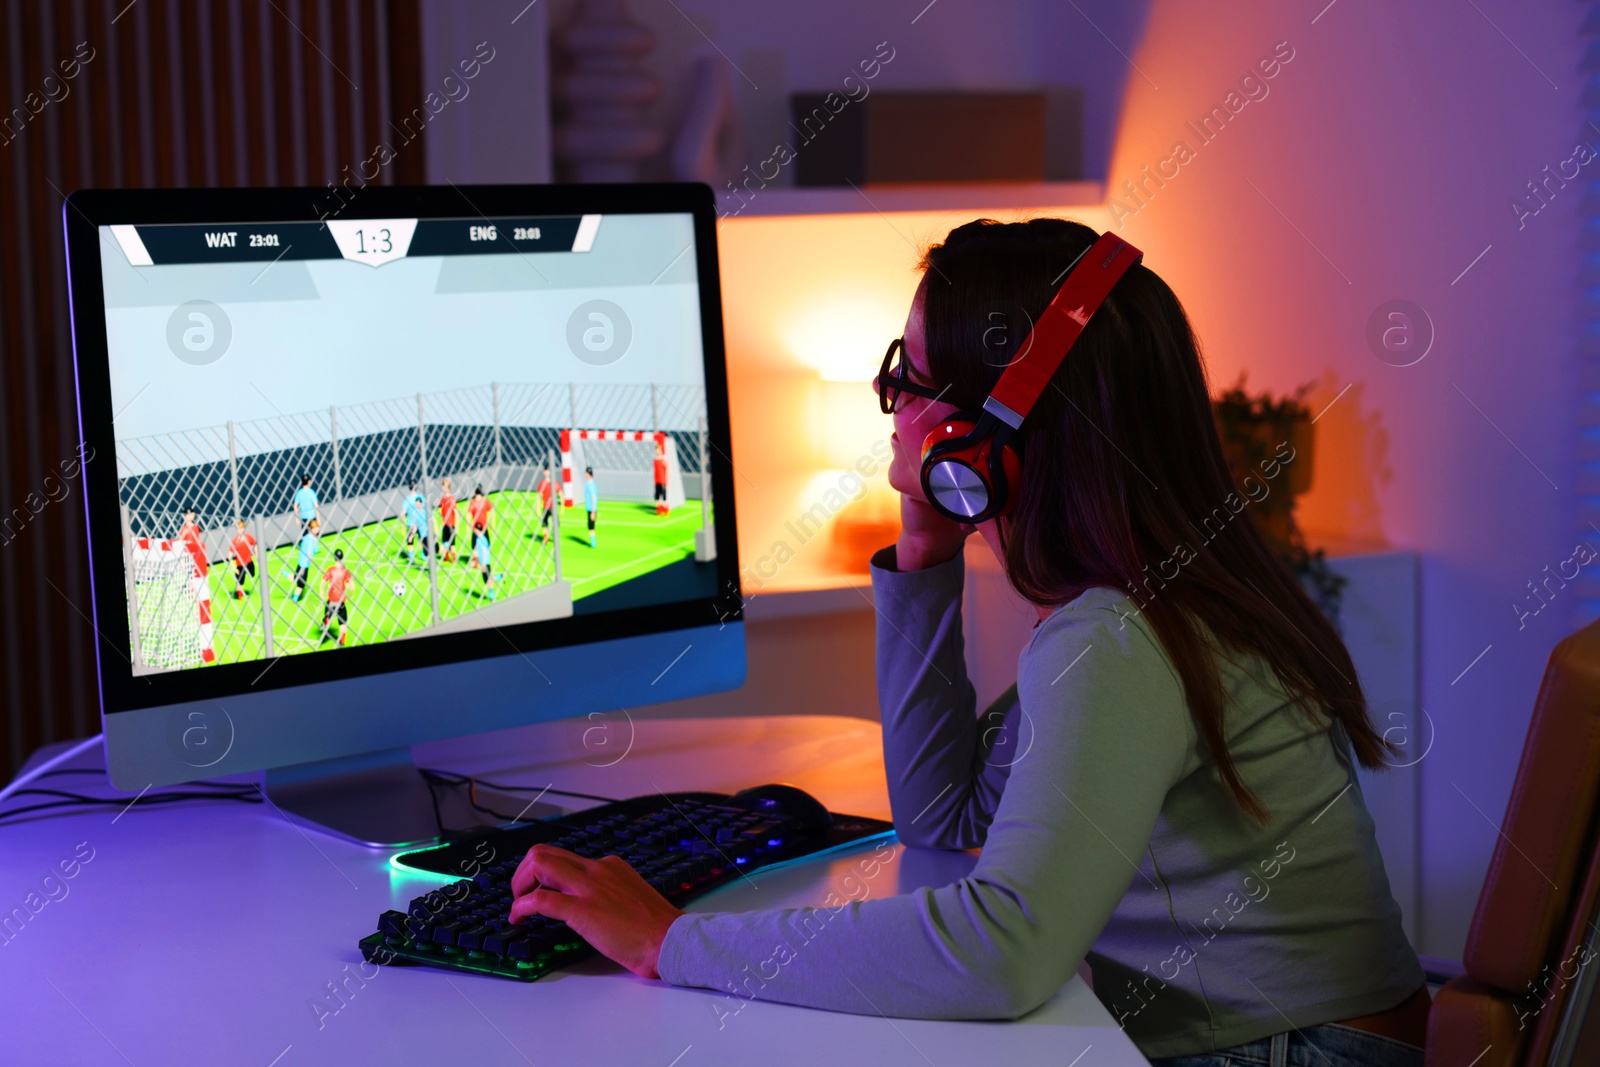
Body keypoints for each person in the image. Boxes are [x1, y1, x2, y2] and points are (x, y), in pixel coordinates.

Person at [498, 219, 1429, 1065]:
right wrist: (924, 552)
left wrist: (669, 942)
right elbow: (945, 815)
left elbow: (1004, 951)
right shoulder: (1144, 597)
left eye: (908, 380)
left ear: (980, 442)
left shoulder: (1115, 639)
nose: (891, 402)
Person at [319, 547, 354, 646]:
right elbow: (352, 587)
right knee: (343, 622)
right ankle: (342, 639)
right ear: (342, 559)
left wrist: (322, 598)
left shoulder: (330, 570)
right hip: (341, 602)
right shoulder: (345, 571)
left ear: (334, 558)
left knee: (328, 615)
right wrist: (350, 595)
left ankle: (327, 619)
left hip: (331, 601)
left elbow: (322, 584)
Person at [291, 518, 320, 604]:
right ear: (312, 529)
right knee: (301, 584)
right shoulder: (311, 540)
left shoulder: (306, 537)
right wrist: (314, 564)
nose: (317, 530)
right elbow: (309, 553)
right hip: (304, 565)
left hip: (301, 562)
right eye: (316, 528)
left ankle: (284, 573)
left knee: (296, 579)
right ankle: (295, 599)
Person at [228, 520, 256, 600]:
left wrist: (257, 557)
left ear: (244, 528)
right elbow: (229, 555)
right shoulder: (235, 541)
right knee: (239, 581)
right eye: (238, 529)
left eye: (241, 528)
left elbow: (255, 544)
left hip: (249, 562)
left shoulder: (248, 537)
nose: (240, 530)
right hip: (240, 565)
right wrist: (234, 567)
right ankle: (240, 595)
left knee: (252, 574)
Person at [176, 508, 208, 577]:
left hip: (196, 551)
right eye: (189, 515)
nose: (191, 516)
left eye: (192, 515)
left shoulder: (196, 527)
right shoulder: (185, 529)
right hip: (188, 552)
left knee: (197, 570)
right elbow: (180, 541)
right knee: (189, 570)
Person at [467, 485, 494, 568]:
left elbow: (468, 516)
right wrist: (492, 524)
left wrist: (468, 529)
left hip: (475, 528)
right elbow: (492, 511)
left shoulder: (473, 502)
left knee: (475, 546)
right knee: (486, 545)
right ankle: (485, 561)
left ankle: (476, 562)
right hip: (484, 528)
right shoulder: (485, 501)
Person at [402, 482, 429, 563]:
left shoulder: (411, 498)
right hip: (415, 523)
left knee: (413, 540)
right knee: (415, 539)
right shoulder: (419, 497)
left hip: (416, 523)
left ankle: (415, 555)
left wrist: (403, 525)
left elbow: (403, 513)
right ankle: (418, 555)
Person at [472, 521, 496, 602]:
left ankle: (492, 597)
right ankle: (499, 577)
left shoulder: (481, 539)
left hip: (485, 562)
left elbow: (484, 551)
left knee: (488, 581)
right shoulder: (480, 538)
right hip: (484, 562)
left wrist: (483, 564)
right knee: (487, 580)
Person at [438, 479, 459, 563]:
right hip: (445, 524)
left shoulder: (451, 499)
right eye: (442, 486)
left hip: (451, 524)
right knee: (445, 541)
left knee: (452, 544)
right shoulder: (442, 499)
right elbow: (441, 510)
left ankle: (454, 558)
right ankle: (447, 557)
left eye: (444, 486)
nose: (443, 488)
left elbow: (456, 513)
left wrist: (456, 526)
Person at [536, 471, 555, 544]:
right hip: (546, 506)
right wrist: (538, 508)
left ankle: (551, 536)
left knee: (554, 523)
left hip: (552, 507)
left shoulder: (553, 483)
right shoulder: (543, 483)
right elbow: (539, 496)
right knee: (545, 524)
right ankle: (546, 538)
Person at [652, 437, 669, 516]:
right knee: (657, 495)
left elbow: (667, 469)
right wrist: (653, 482)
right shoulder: (655, 460)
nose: (657, 451)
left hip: (663, 481)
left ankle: (665, 508)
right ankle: (658, 509)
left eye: (658, 449)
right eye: (656, 450)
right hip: (657, 480)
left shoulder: (663, 459)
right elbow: (654, 471)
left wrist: (668, 480)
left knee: (664, 495)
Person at [583, 466, 598, 548]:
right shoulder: (589, 484)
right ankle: (592, 542)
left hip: (591, 509)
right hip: (589, 508)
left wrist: (593, 511)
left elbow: (593, 497)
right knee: (590, 526)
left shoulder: (591, 485)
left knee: (591, 526)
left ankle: (593, 543)